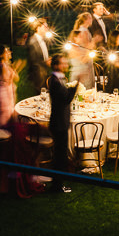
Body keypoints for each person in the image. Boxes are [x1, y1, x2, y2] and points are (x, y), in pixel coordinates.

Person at [48, 55, 77, 193]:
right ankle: (57, 186)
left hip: (60, 122)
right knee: (60, 156)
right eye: (63, 63)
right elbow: (66, 98)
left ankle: (58, 183)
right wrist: (76, 86)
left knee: (61, 155)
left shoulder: (59, 79)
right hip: (59, 124)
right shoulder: (54, 81)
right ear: (56, 66)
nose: (66, 65)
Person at [0, 44, 24, 129]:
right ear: (0, 55)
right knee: (4, 116)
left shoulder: (7, 65)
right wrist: (16, 68)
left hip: (9, 94)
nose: (10, 52)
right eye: (7, 51)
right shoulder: (1, 66)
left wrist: (14, 69)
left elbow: (16, 79)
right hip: (3, 95)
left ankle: (8, 134)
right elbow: (7, 80)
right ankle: (0, 134)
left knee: (10, 115)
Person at [27, 19, 53, 94]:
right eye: (45, 27)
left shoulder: (43, 40)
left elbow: (42, 55)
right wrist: (45, 62)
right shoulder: (33, 41)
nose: (47, 29)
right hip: (38, 74)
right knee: (40, 94)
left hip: (45, 71)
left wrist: (48, 59)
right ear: (38, 28)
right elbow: (33, 60)